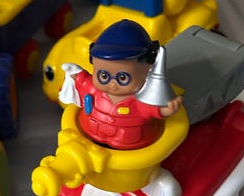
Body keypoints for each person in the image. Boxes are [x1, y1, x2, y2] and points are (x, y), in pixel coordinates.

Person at [59, 19, 182, 150]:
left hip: (128, 146)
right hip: (90, 135)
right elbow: (83, 82)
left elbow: (151, 107)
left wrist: (165, 110)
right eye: (104, 76)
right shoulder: (94, 89)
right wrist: (75, 74)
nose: (112, 85)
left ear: (147, 69)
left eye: (122, 78)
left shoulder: (142, 98)